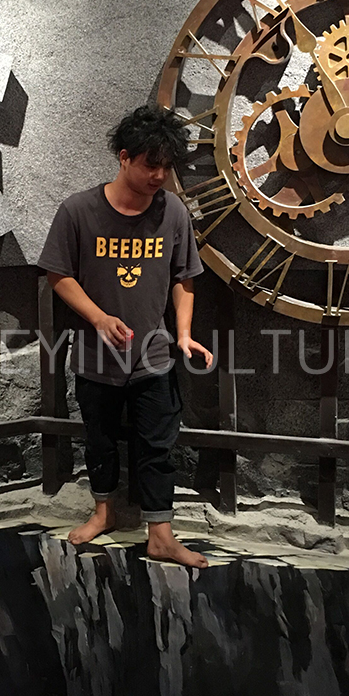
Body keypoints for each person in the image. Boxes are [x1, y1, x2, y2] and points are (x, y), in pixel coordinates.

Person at [37, 105, 214, 568]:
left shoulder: (173, 211)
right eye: (150, 165)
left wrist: (184, 334)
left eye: (166, 166)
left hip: (153, 354)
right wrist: (98, 318)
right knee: (99, 441)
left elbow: (185, 277)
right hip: (96, 355)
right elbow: (58, 274)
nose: (159, 176)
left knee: (157, 445)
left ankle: (161, 536)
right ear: (124, 157)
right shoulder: (78, 210)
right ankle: (104, 513)